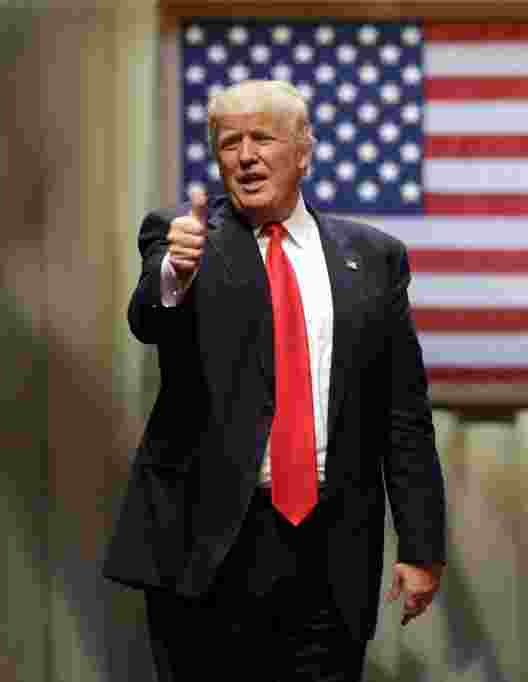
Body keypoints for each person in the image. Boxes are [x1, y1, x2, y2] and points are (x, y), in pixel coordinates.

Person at [102, 79, 446, 682]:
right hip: (208, 547)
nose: (245, 155)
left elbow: (403, 413)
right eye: (229, 142)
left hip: (330, 547)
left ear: (304, 150)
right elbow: (149, 318)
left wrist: (420, 546)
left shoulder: (374, 257)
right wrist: (173, 272)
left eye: (263, 137)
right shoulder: (185, 236)